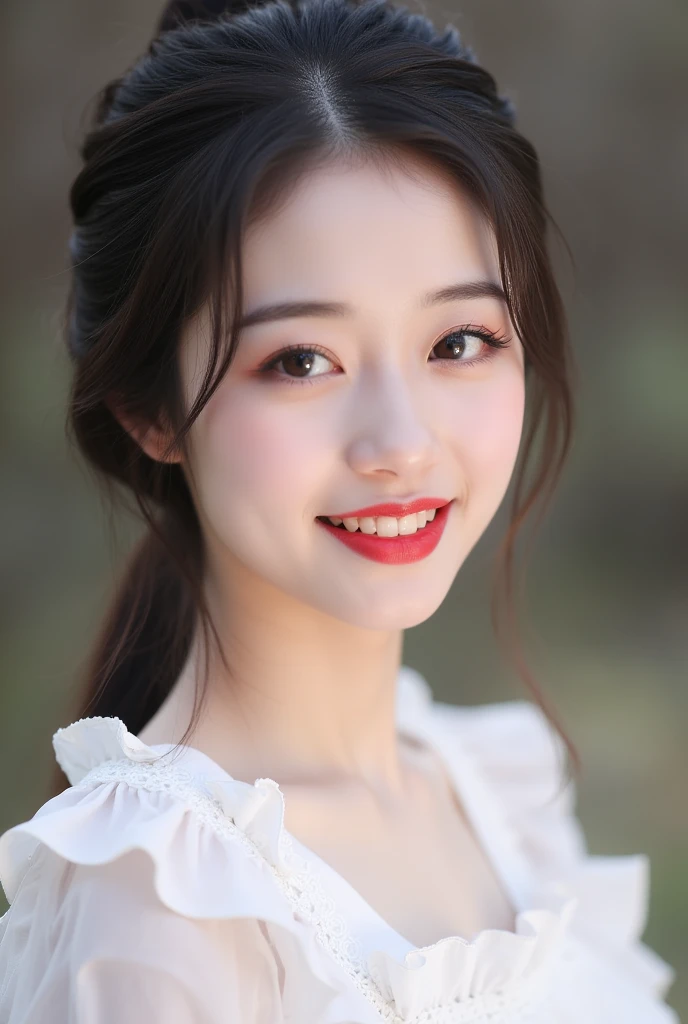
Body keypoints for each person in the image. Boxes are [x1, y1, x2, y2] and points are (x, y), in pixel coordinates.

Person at [0, 0, 679, 1020]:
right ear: (151, 409)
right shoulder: (153, 903)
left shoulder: (491, 793)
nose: (400, 442)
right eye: (300, 360)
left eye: (459, 341)